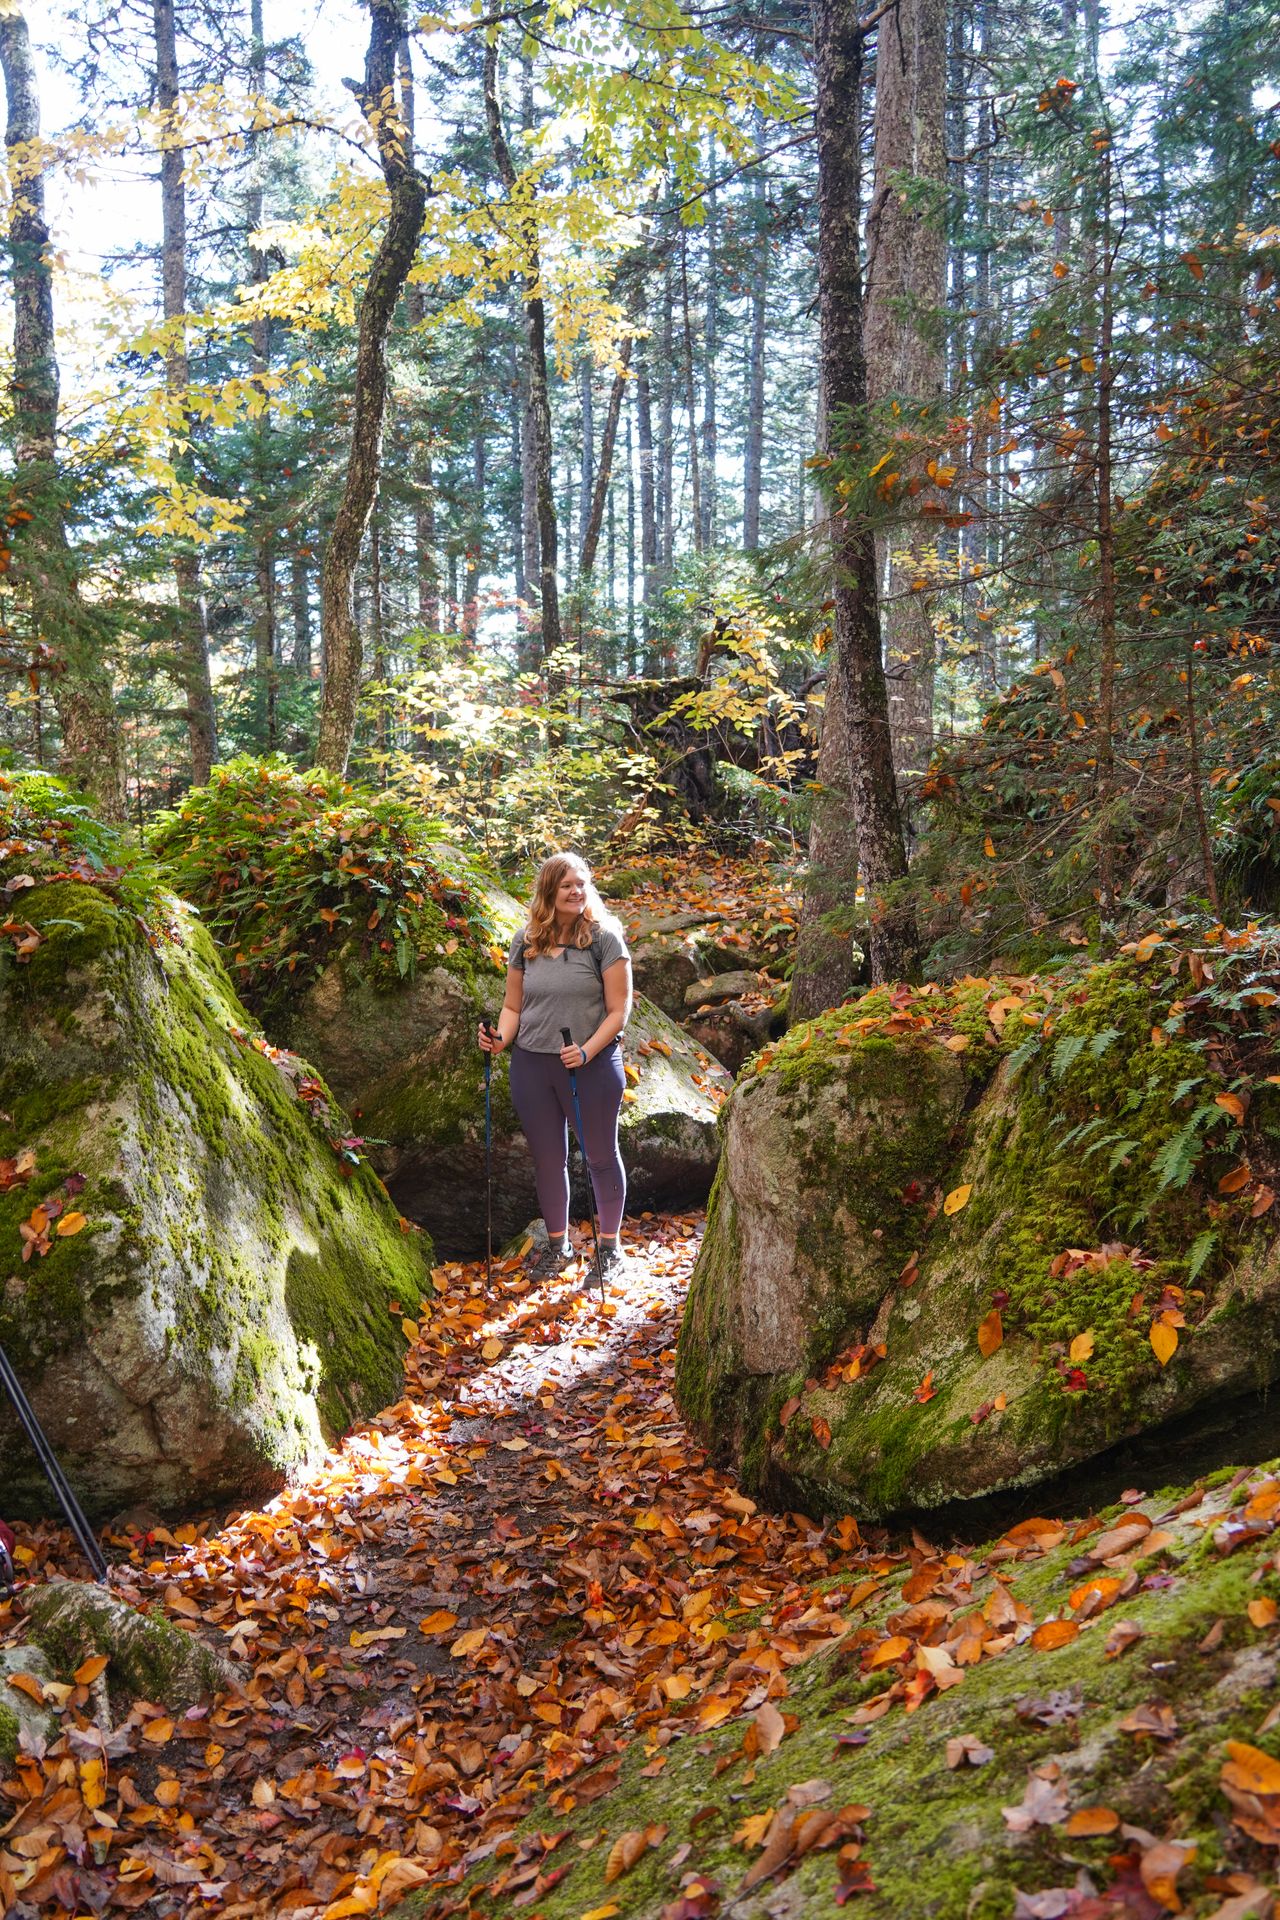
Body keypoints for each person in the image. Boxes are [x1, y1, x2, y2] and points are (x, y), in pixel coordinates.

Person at [478, 852, 633, 1281]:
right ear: (548, 890)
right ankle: (558, 1246)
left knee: (600, 1157)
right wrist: (500, 1040)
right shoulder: (525, 941)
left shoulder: (605, 939)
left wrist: (586, 1051)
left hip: (591, 1064)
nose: (576, 891)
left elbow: (619, 1011)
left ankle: (609, 1250)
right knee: (549, 1160)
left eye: (582, 883)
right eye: (567, 885)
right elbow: (513, 1005)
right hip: (532, 1064)